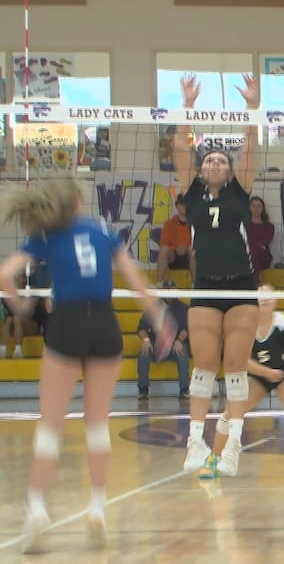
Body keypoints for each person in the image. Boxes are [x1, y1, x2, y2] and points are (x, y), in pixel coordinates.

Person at [0, 179, 165, 553]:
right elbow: (137, 283)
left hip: (66, 323)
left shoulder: (45, 236)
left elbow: (5, 273)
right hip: (104, 324)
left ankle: (37, 510)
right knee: (97, 424)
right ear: (78, 202)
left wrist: (21, 305)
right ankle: (97, 508)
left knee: (50, 425)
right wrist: (159, 318)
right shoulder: (104, 231)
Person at [173, 72, 261, 477]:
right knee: (205, 364)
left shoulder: (239, 192)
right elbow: (180, 150)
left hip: (241, 287)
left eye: (221, 161)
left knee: (236, 366)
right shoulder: (191, 194)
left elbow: (249, 149)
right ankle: (195, 442)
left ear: (229, 172)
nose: (214, 163)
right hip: (205, 288)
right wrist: (187, 107)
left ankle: (233, 445)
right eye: (208, 159)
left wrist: (251, 107)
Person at [201, 285, 284, 479]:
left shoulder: (283, 322)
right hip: (259, 376)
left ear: (275, 300)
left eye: (269, 296)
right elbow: (241, 360)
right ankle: (213, 460)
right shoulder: (245, 325)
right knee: (230, 412)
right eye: (260, 296)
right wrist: (267, 373)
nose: (265, 299)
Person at [136, 279, 190, 401]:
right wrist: (146, 340)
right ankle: (143, 389)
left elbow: (186, 329)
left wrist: (179, 341)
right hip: (156, 344)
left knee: (182, 353)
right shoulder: (153, 307)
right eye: (166, 290)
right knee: (143, 353)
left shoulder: (183, 308)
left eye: (171, 290)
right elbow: (141, 328)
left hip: (175, 344)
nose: (169, 292)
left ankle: (184, 389)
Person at [156, 194, 193, 285]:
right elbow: (164, 242)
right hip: (173, 257)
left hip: (190, 256)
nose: (184, 206)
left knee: (192, 250)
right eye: (182, 204)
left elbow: (200, 242)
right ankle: (159, 283)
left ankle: (195, 284)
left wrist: (186, 248)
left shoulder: (195, 223)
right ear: (177, 205)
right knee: (164, 250)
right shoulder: (169, 224)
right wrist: (176, 248)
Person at [247, 195, 275, 279]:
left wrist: (253, 245)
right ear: (249, 208)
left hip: (263, 256)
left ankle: (254, 282)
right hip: (247, 254)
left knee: (254, 253)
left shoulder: (269, 227)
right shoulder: (244, 225)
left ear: (263, 208)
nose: (256, 208)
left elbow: (265, 242)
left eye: (259, 206)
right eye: (253, 206)